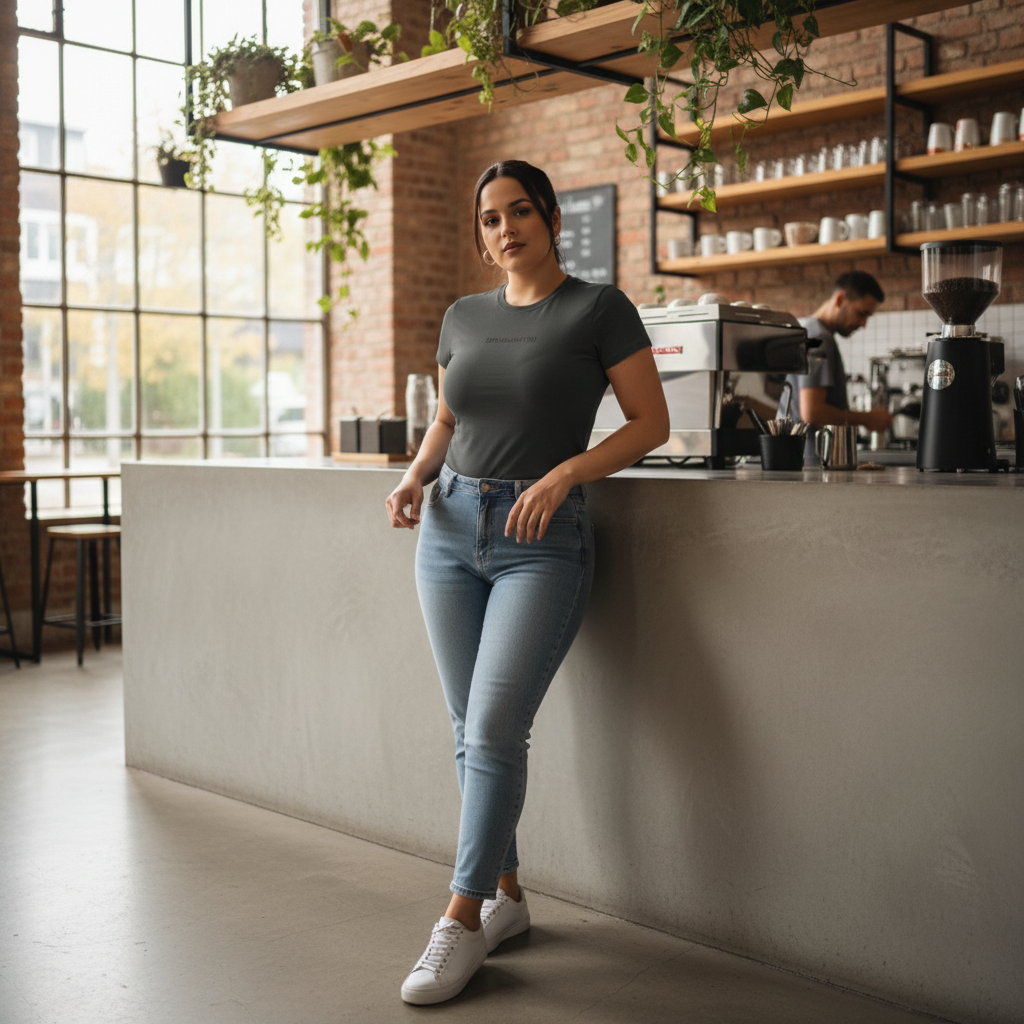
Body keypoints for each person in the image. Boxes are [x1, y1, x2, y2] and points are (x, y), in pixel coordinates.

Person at [384, 160, 669, 1005]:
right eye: (488, 220)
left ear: (549, 218)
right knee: (469, 726)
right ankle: (507, 896)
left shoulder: (599, 308)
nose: (503, 229)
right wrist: (413, 478)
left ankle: (460, 920)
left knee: (496, 726)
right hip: (447, 530)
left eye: (519, 213)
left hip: (540, 540)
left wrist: (567, 474)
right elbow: (447, 418)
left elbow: (650, 423)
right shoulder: (462, 316)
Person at [781, 271, 894, 461]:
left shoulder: (813, 333)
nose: (864, 323)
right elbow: (812, 413)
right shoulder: (818, 339)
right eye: (861, 313)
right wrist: (867, 419)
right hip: (812, 462)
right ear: (840, 299)